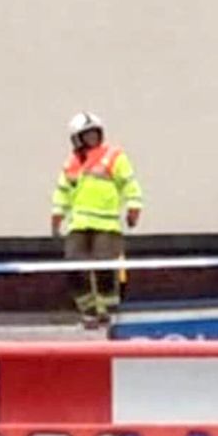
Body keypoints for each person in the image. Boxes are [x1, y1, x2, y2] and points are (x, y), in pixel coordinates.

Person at [51, 112, 142, 326]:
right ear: (77, 138)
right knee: (73, 268)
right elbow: (62, 191)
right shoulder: (71, 163)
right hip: (79, 225)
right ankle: (88, 311)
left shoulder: (114, 156)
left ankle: (108, 312)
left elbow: (130, 183)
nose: (92, 137)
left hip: (107, 224)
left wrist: (134, 207)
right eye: (87, 134)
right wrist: (57, 216)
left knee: (104, 270)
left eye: (95, 133)